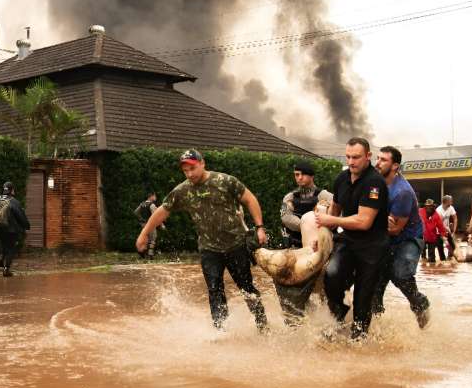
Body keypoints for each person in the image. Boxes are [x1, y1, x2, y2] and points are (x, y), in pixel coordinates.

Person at [135, 149, 269, 333]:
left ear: (202, 163)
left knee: (246, 287)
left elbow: (250, 199)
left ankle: (263, 326)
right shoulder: (182, 191)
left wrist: (260, 227)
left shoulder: (225, 181)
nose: (190, 174)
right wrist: (144, 234)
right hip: (209, 249)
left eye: (193, 168)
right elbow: (162, 211)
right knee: (215, 290)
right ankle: (221, 331)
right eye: (185, 171)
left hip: (236, 244)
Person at [317, 137, 389, 340]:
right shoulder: (341, 179)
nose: (351, 162)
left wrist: (330, 218)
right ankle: (339, 312)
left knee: (363, 300)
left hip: (373, 247)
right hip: (348, 241)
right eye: (348, 157)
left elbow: (364, 221)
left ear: (368, 156)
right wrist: (324, 233)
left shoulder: (375, 183)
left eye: (356, 157)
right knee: (331, 276)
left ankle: (359, 343)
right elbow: (335, 210)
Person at [371, 146, 430, 329]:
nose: (377, 163)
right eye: (377, 158)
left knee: (400, 274)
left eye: (383, 160)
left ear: (395, 166)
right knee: (374, 284)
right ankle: (375, 329)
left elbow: (395, 229)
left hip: (408, 239)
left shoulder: (402, 192)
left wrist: (374, 221)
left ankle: (420, 305)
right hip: (383, 237)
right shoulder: (375, 184)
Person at [274, 160, 334, 325]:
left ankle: (327, 317)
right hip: (296, 247)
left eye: (301, 174)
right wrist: (305, 224)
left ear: (311, 175)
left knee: (325, 285)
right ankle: (297, 316)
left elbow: (334, 214)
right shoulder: (290, 197)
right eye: (296, 175)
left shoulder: (325, 196)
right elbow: (285, 217)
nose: (298, 178)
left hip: (320, 247)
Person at [0, 181, 30, 277]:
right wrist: (27, 225)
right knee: (11, 249)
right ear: (12, 190)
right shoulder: (14, 201)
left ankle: (1, 257)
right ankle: (6, 269)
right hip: (11, 230)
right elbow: (20, 216)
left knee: (3, 244)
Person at [133, 192, 165, 260]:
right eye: (154, 196)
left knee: (145, 239)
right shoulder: (152, 205)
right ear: (151, 196)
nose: (155, 197)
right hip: (150, 224)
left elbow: (136, 212)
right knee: (153, 238)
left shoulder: (142, 204)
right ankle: (150, 255)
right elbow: (155, 216)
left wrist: (141, 219)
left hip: (143, 224)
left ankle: (141, 253)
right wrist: (161, 224)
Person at [421, 199, 448, 264]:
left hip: (432, 237)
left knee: (432, 259)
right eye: (427, 206)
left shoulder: (436, 215)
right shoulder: (420, 211)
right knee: (423, 257)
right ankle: (424, 268)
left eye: (430, 206)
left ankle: (432, 271)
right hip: (422, 236)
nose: (429, 208)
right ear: (425, 206)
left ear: (433, 207)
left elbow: (441, 227)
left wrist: (444, 235)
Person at [435, 195, 458, 259]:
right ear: (446, 202)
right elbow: (440, 224)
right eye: (451, 201)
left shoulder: (451, 208)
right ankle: (443, 261)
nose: (452, 203)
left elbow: (455, 218)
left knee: (452, 246)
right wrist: (447, 230)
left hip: (447, 230)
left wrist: (454, 231)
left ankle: (450, 258)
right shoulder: (438, 210)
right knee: (440, 248)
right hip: (438, 231)